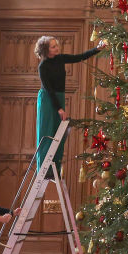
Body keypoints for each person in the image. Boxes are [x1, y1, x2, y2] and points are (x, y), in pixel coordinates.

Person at [35, 36, 102, 177]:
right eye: (53, 47)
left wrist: (97, 49)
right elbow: (49, 90)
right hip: (48, 99)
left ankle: (55, 169)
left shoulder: (60, 58)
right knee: (47, 131)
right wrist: (59, 108)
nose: (57, 48)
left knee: (58, 132)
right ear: (46, 50)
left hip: (59, 96)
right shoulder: (43, 66)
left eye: (56, 45)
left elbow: (80, 57)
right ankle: (44, 169)